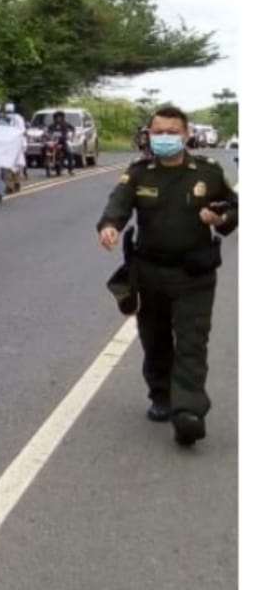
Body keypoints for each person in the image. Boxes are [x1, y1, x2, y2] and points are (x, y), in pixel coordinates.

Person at [98, 105, 237, 447]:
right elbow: (118, 204)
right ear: (148, 135)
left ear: (186, 134)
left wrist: (219, 219)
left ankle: (188, 411)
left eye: (172, 131)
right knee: (155, 337)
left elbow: (233, 208)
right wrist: (110, 227)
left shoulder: (207, 172)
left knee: (192, 340)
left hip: (195, 274)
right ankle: (161, 394)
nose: (165, 138)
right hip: (149, 272)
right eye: (158, 132)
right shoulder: (139, 173)